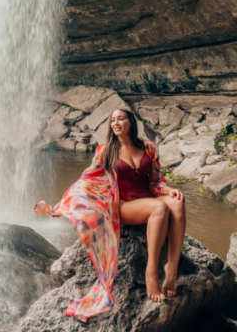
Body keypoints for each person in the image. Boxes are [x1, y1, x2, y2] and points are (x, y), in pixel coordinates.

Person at [34, 107, 186, 322]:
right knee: (159, 208)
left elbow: (156, 182)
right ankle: (151, 272)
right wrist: (63, 206)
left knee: (178, 203)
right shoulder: (105, 151)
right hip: (124, 205)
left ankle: (171, 269)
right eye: (112, 120)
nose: (116, 123)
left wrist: (170, 191)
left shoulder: (149, 148)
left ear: (130, 122)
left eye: (120, 118)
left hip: (149, 199)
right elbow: (86, 181)